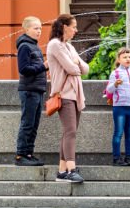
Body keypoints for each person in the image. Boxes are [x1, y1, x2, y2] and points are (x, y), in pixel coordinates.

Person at [46, 13, 88, 183]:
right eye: (74, 26)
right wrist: (76, 64)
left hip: (75, 94)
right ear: (64, 27)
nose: (76, 30)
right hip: (64, 94)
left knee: (68, 132)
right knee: (70, 132)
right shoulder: (55, 45)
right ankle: (71, 169)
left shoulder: (69, 47)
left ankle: (62, 171)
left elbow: (85, 69)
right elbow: (72, 69)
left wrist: (76, 64)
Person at [14, 16, 48, 166]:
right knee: (27, 124)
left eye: (40, 28)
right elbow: (24, 69)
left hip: (38, 90)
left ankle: (29, 153)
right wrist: (43, 67)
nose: (39, 31)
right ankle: (21, 156)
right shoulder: (25, 47)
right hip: (29, 91)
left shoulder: (35, 46)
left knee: (34, 125)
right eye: (36, 28)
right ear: (26, 29)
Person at [105, 47, 130, 166]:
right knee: (118, 133)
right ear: (119, 59)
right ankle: (116, 158)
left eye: (129, 57)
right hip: (120, 107)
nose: (127, 59)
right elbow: (109, 89)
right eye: (125, 57)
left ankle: (128, 157)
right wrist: (115, 84)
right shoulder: (115, 73)